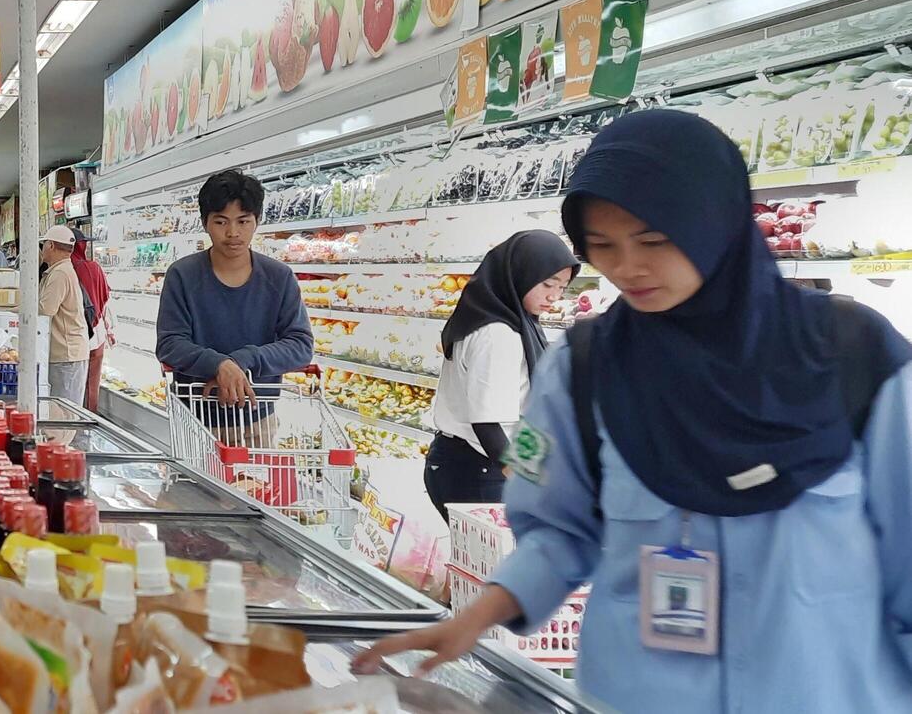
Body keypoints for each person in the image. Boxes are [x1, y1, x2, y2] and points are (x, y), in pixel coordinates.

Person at [356, 110, 912, 712]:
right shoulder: (587, 369)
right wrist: (476, 617)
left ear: (714, 221)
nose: (627, 268)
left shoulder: (854, 359)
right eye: (602, 246)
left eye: (653, 239)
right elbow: (559, 531)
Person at [424, 230, 577, 518]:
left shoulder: (501, 319)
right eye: (547, 284)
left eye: (563, 288)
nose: (554, 297)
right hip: (479, 470)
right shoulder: (498, 334)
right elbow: (489, 424)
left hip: (467, 464)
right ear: (520, 274)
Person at [155, 169, 313, 410]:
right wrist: (218, 364)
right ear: (205, 223)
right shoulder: (182, 275)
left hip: (257, 416)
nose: (232, 233)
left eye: (243, 221)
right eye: (221, 222)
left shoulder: (279, 277)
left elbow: (300, 345)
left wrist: (243, 360)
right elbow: (170, 344)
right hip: (195, 422)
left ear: (257, 222)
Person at [37, 225, 92, 406]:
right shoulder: (60, 270)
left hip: (66, 355)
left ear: (51, 245)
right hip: (66, 354)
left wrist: (9, 310)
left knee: (64, 412)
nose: (42, 249)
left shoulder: (60, 273)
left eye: (43, 244)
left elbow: (45, 310)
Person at [70, 227, 113, 411]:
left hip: (72, 335)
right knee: (92, 382)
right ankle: (90, 415)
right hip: (96, 333)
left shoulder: (62, 269)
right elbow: (105, 299)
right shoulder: (93, 268)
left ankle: (73, 416)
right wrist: (109, 329)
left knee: (72, 383)